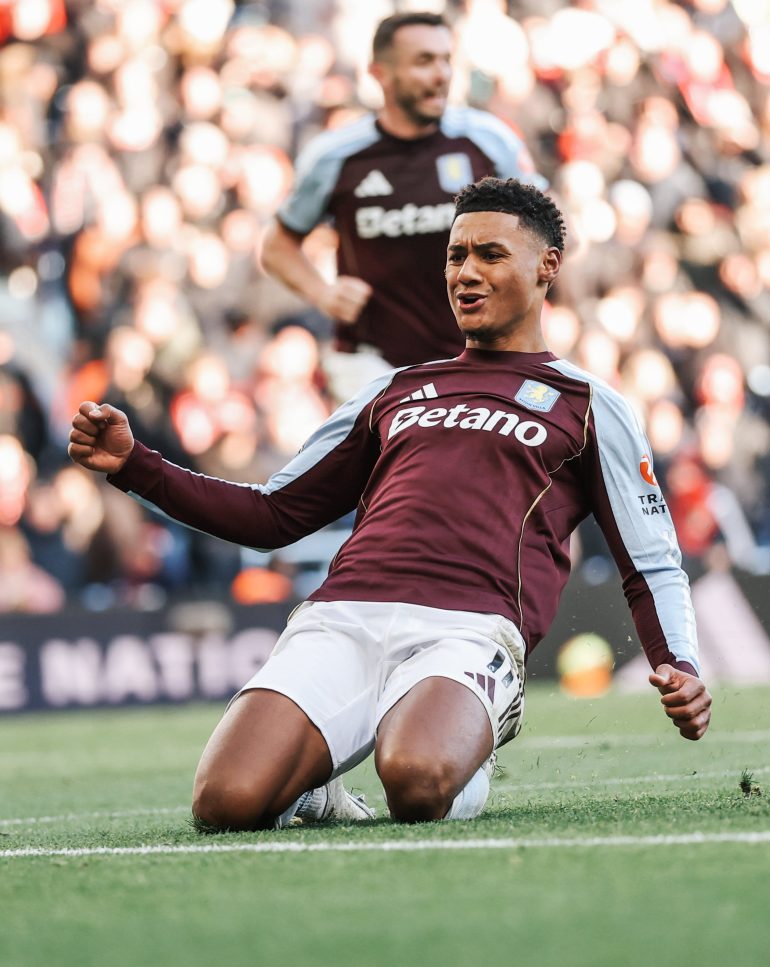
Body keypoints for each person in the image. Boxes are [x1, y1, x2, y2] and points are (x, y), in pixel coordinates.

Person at [68, 177, 711, 831]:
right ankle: (321, 794)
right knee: (225, 804)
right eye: (456, 256)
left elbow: (649, 561)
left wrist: (678, 664)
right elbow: (271, 515)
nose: (466, 272)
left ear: (546, 266)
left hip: (467, 631)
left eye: (490, 254)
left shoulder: (587, 403)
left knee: (415, 783)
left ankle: (469, 743)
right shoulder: (395, 391)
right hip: (342, 620)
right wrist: (133, 466)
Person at [259, 11, 547, 403]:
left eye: (447, 60)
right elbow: (277, 245)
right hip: (375, 364)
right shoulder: (336, 156)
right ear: (380, 73)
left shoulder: (489, 141)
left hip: (479, 355)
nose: (441, 73)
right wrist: (323, 293)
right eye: (424, 61)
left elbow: (554, 228)